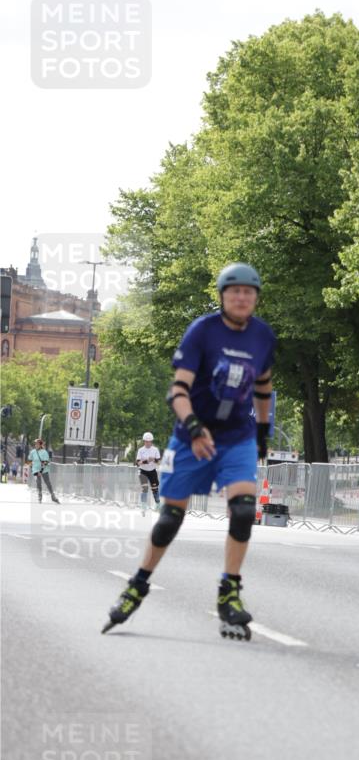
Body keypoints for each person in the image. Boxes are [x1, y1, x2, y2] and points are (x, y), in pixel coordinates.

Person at [104, 262, 276, 639]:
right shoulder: (203, 331)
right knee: (169, 519)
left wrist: (263, 431)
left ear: (256, 298)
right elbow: (177, 391)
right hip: (191, 435)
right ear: (222, 296)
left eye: (249, 292)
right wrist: (195, 427)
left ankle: (229, 592)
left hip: (236, 437)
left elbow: (263, 388)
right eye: (235, 292)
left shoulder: (263, 336)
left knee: (244, 511)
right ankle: (138, 584)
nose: (242, 298)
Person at [27, 438, 60, 503]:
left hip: (44, 470)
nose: (35, 445)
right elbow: (29, 460)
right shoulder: (33, 452)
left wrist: (41, 471)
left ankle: (53, 496)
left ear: (40, 445)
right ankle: (40, 494)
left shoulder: (44, 452)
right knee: (38, 482)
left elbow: (46, 462)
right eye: (35, 444)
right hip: (35, 470)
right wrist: (32, 468)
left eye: (37, 444)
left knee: (48, 483)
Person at [135, 431, 161, 513]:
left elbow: (159, 462)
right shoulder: (141, 450)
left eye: (149, 441)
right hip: (143, 471)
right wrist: (145, 461)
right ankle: (143, 506)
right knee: (145, 488)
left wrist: (153, 459)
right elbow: (138, 463)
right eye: (146, 441)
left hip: (152, 471)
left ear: (151, 441)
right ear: (144, 441)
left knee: (155, 489)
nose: (147, 443)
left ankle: (158, 504)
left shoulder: (155, 449)